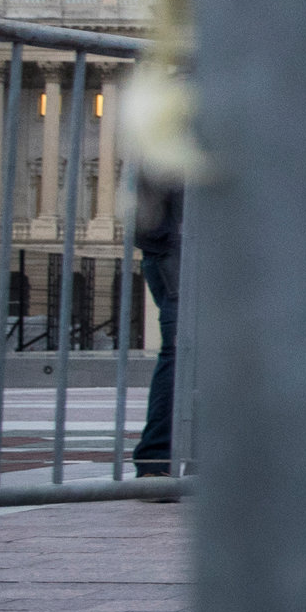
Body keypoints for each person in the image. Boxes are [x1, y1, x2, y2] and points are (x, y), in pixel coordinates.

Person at [132, 178, 184, 487]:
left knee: (185, 354)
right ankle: (155, 461)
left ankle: (160, 460)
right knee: (179, 353)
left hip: (169, 247)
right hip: (176, 252)